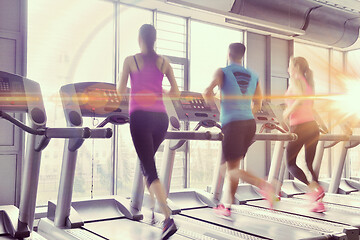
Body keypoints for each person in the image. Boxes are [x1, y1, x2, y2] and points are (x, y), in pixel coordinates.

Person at [117, 24, 180, 239]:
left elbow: (119, 92)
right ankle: (152, 207)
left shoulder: (130, 61)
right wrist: (159, 91)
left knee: (150, 169)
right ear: (155, 39)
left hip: (140, 118)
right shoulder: (164, 62)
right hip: (161, 119)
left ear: (139, 39)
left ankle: (167, 217)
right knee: (147, 163)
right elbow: (175, 92)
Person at [204, 43, 278, 219]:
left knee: (230, 170)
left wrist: (217, 108)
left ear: (229, 53)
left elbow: (207, 92)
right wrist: (245, 114)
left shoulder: (222, 71)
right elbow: (258, 103)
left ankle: (264, 186)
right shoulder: (254, 75)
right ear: (242, 55)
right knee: (231, 167)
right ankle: (226, 206)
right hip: (249, 124)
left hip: (233, 124)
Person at [283, 56, 325, 213]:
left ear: (295, 67)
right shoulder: (309, 83)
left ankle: (313, 188)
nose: (288, 68)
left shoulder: (296, 80)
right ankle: (318, 201)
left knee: (290, 163)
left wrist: (286, 113)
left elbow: (300, 101)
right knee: (308, 163)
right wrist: (322, 125)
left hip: (300, 127)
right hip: (312, 127)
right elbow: (311, 107)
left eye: (289, 65)